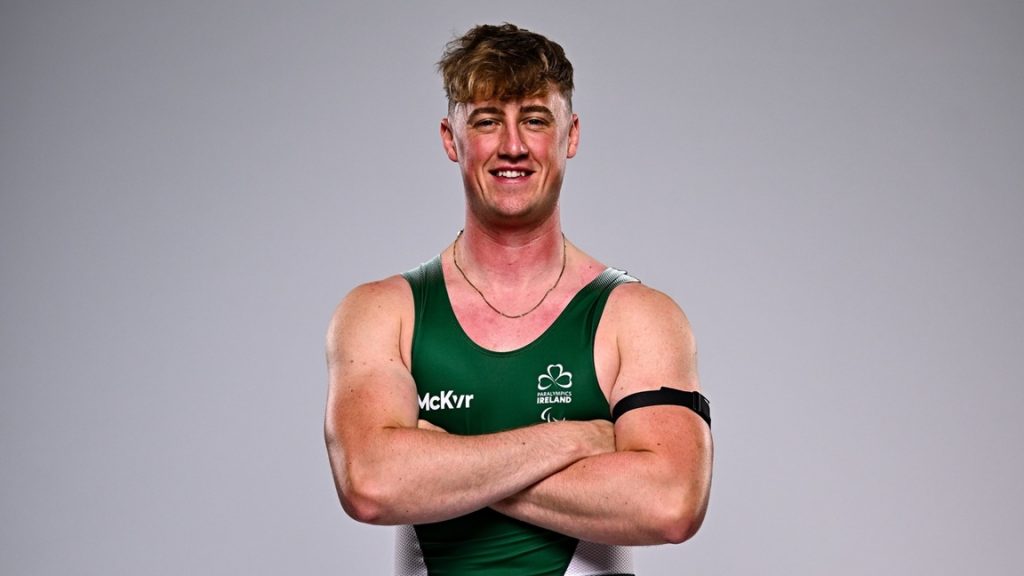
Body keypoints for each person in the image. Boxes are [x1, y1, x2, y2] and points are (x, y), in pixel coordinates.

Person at [325, 23, 713, 576]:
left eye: (535, 119)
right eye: (487, 121)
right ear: (450, 138)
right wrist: (579, 438)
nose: (513, 146)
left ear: (570, 136)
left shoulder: (637, 317)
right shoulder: (383, 313)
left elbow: (670, 504)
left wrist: (439, 460)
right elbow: (371, 484)